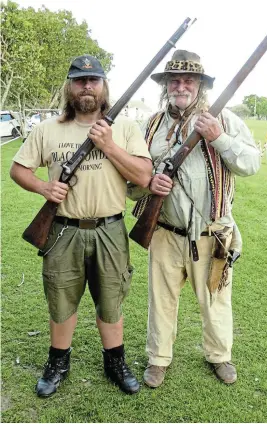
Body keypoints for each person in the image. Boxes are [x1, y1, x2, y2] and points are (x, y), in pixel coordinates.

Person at [10, 54, 152, 396]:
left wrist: (108, 144)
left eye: (93, 80)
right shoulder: (47, 129)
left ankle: (115, 361)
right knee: (60, 300)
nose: (86, 86)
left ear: (104, 86)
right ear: (70, 86)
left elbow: (144, 177)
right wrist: (43, 187)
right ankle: (58, 362)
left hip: (111, 229)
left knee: (111, 299)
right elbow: (18, 169)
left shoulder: (126, 129)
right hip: (61, 229)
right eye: (79, 80)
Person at [127, 50, 260, 388]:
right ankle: (158, 360)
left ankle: (219, 356)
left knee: (216, 300)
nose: (181, 85)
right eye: (175, 79)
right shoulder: (152, 125)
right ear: (166, 84)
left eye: (189, 80)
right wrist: (147, 183)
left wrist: (218, 137)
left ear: (200, 85)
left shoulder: (226, 120)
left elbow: (250, 164)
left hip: (212, 232)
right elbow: (130, 180)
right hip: (164, 232)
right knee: (161, 301)